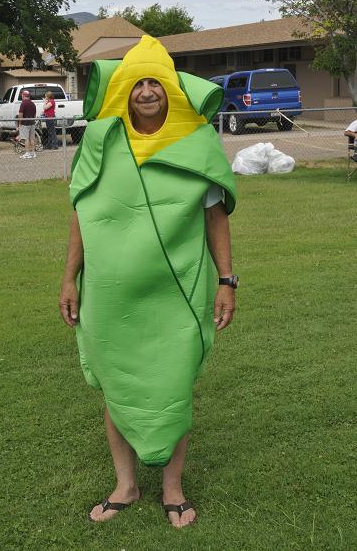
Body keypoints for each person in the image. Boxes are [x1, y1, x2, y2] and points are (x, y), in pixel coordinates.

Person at [59, 36, 238, 528]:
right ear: (123, 90)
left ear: (171, 90)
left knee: (172, 383)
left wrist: (227, 280)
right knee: (118, 383)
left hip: (177, 291)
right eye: (136, 82)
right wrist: (69, 277)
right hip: (111, 293)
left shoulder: (196, 142)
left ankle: (173, 488)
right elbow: (82, 212)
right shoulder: (100, 141)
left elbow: (216, 218)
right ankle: (126, 485)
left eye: (154, 82)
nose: (145, 91)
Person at [17, 90, 37, 159]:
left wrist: (19, 123)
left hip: (25, 123)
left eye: (22, 95)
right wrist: (33, 120)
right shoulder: (32, 103)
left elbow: (20, 114)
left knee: (26, 139)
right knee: (32, 138)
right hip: (32, 122)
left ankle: (27, 153)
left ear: (23, 95)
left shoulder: (23, 103)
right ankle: (33, 153)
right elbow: (34, 114)